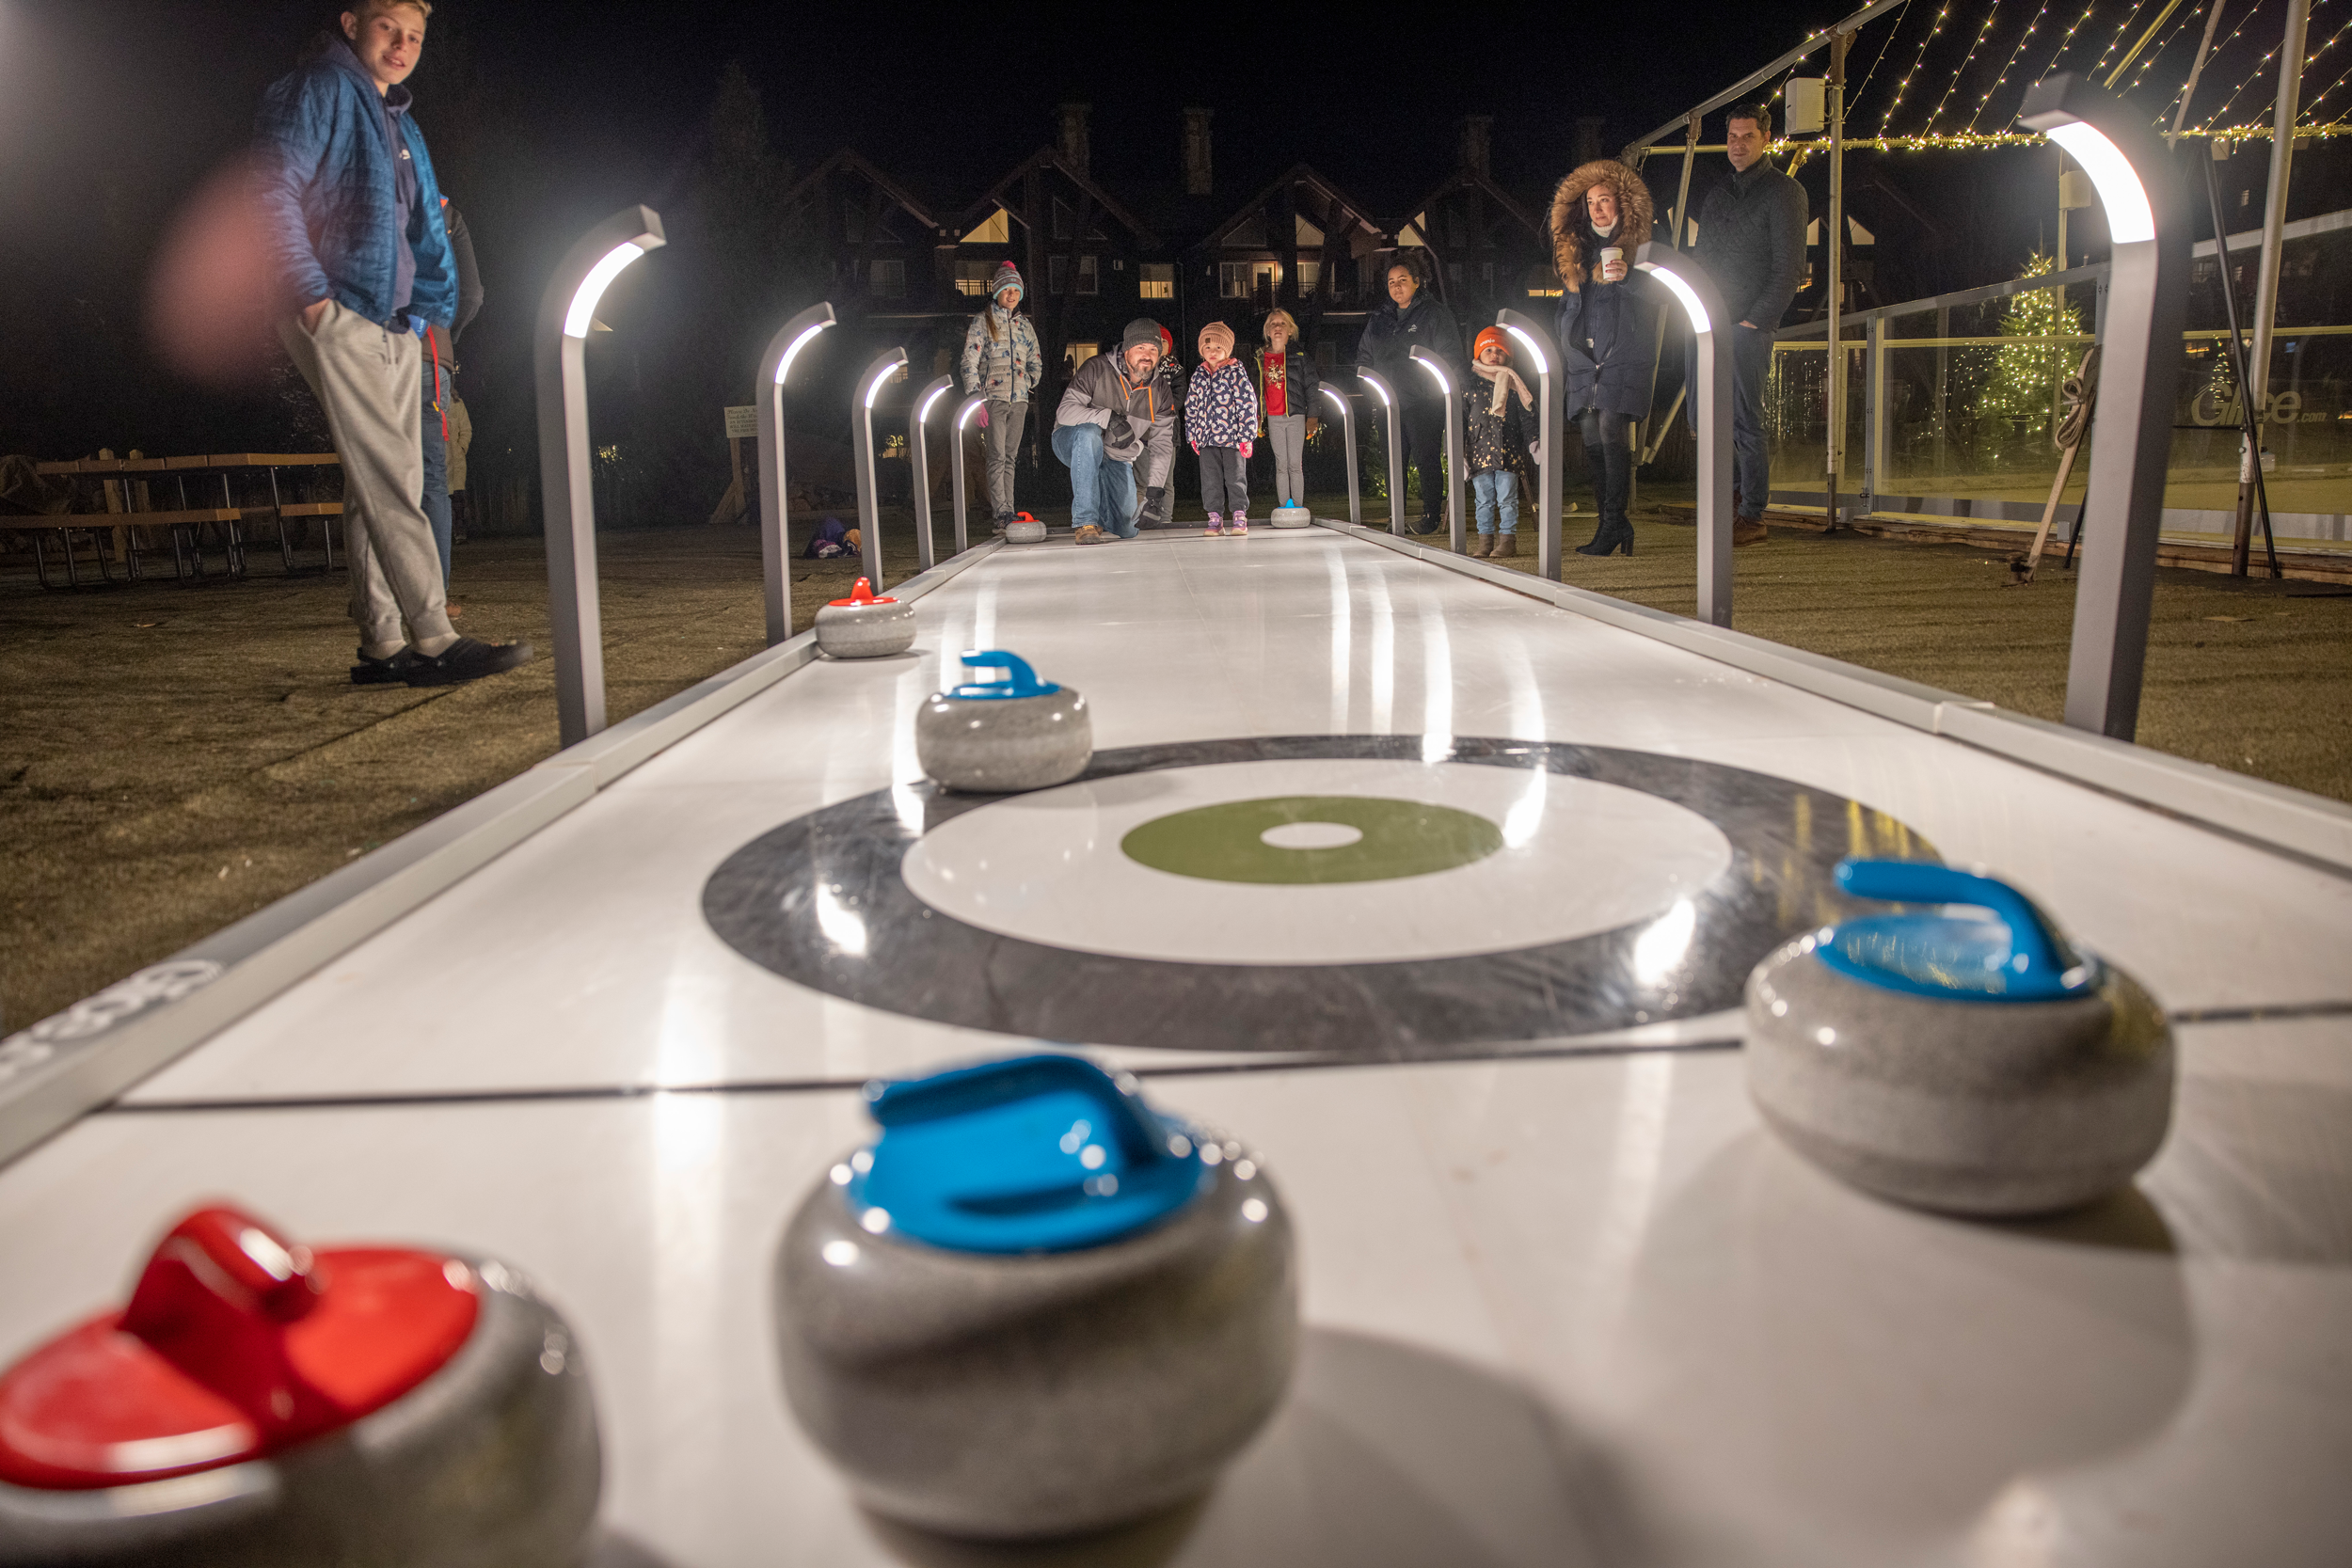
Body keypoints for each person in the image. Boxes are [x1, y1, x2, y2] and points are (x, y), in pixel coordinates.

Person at [255, 0, 528, 686]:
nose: (404, 45)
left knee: (371, 481)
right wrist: (310, 298)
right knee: (393, 477)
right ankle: (434, 635)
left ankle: (381, 644)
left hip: (399, 321)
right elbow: (270, 186)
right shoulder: (320, 88)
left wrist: (428, 311)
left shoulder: (400, 120)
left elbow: (426, 224)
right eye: (388, 28)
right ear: (351, 24)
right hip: (338, 308)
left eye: (415, 35)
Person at [1692, 102, 1806, 546]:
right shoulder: (1718, 194)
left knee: (1744, 420)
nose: (1738, 145)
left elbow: (1790, 268)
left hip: (1747, 328)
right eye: (1732, 137)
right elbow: (1702, 260)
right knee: (1707, 420)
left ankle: (1753, 514)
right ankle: (1727, 504)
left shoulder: (1784, 192)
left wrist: (1755, 321)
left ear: (1766, 139)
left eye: (1748, 137)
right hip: (1708, 324)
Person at [1550, 159, 1660, 559]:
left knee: (1613, 429)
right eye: (1591, 201)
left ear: (1622, 203)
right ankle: (1610, 522)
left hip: (1624, 354)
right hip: (1585, 357)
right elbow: (1567, 304)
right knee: (1592, 438)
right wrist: (1565, 336)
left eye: (1605, 200)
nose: (1598, 208)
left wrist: (1630, 275)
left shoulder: (1642, 245)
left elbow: (1662, 295)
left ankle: (1614, 521)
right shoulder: (1575, 249)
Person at [1354, 256, 1463, 535]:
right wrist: (1372, 389)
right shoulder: (1379, 319)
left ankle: (1430, 515)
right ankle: (1396, 516)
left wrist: (1436, 389)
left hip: (1424, 402)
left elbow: (1450, 355)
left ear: (1417, 281)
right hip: (1389, 403)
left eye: (1403, 280)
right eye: (1391, 282)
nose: (1397, 287)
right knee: (1393, 460)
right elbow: (1363, 358)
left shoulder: (1434, 314)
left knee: (1426, 458)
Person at [1053, 318, 1166, 545]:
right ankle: (1085, 522)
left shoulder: (1159, 390)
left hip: (1116, 455)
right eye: (1140, 347)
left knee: (1129, 528)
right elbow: (1064, 413)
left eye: (1153, 349)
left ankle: (1102, 516)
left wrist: (1154, 493)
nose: (1147, 354)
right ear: (1126, 350)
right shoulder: (1096, 368)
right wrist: (1108, 417)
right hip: (1073, 442)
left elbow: (1162, 444)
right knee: (1089, 433)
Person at [420, 197, 481, 589]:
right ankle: (433, 598)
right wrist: (447, 337)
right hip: (430, 354)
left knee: (371, 476)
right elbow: (472, 295)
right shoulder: (444, 210)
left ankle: (373, 600)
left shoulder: (364, 192)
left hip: (375, 353)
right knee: (432, 481)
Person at [959, 261, 1044, 532]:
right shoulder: (983, 322)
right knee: (996, 456)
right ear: (996, 292)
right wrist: (976, 398)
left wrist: (1028, 383)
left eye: (1015, 289)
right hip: (994, 399)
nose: (1011, 294)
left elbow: (1036, 360)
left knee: (1011, 456)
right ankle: (1001, 512)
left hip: (1018, 400)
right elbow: (968, 361)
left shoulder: (1024, 326)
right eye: (1006, 289)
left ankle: (1009, 508)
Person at [1464, 327, 1535, 559]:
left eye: (1499, 350)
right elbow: (1459, 419)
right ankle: (1485, 541)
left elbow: (1527, 417)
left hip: (1509, 451)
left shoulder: (1515, 385)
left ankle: (1507, 541)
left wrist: (1534, 441)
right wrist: (1456, 451)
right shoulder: (1469, 387)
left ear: (1508, 356)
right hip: (1479, 452)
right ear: (1478, 354)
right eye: (1488, 349)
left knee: (1507, 498)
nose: (1494, 354)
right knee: (1483, 499)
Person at [1186, 321, 1259, 535]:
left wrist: (1247, 436)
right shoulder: (1198, 376)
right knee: (1210, 480)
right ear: (1202, 351)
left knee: (1235, 478)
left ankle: (1239, 514)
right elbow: (1191, 407)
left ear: (1227, 349)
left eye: (1218, 347)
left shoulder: (1235, 372)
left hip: (1232, 439)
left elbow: (1248, 404)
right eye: (1208, 348)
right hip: (1206, 440)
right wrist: (1192, 434)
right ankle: (1214, 517)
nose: (1213, 352)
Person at [1256, 308, 1319, 511]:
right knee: (1281, 464)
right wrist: (1257, 416)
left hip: (1295, 415)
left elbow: (1312, 386)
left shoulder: (1300, 356)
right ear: (1267, 330)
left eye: (1282, 323)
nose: (1277, 327)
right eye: (1273, 323)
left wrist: (1313, 416)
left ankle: (1298, 507)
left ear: (1290, 330)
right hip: (1274, 417)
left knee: (1295, 464)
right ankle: (1284, 507)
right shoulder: (1260, 357)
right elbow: (1255, 389)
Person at [1137, 324, 1183, 528]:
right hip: (1141, 433)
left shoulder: (1176, 371)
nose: (1160, 344)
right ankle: (1141, 519)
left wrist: (1158, 409)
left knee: (1166, 481)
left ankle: (1165, 520)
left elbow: (1179, 398)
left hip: (1167, 432)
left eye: (1164, 341)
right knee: (1142, 480)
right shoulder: (1139, 368)